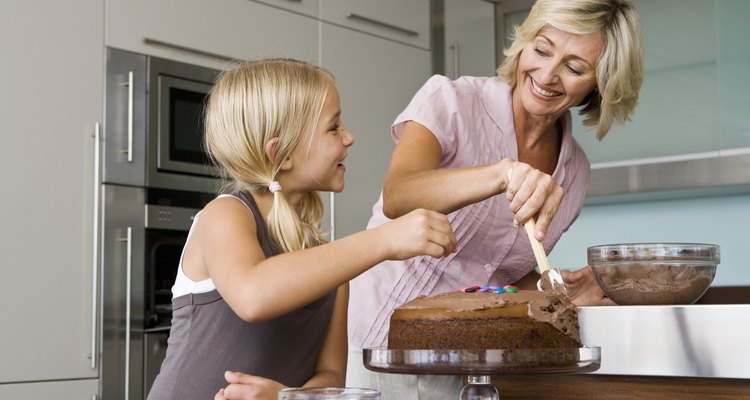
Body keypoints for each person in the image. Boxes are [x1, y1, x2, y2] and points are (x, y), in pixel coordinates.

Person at [346, 0, 644, 398]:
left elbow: (500, 280)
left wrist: (551, 291)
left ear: (601, 84)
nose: (547, 75)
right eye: (540, 50)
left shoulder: (574, 173)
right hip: (371, 350)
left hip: (467, 367)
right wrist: (500, 174)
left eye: (574, 68)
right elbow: (398, 196)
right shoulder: (452, 101)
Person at [145, 58, 457, 400]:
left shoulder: (328, 261)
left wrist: (285, 396)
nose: (350, 137)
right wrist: (384, 239)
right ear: (282, 153)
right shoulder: (225, 214)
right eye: (333, 127)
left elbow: (330, 375)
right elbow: (253, 295)